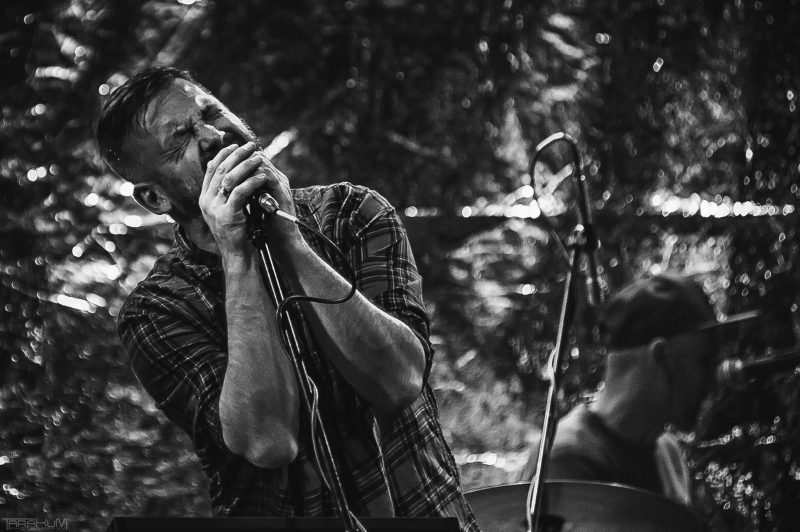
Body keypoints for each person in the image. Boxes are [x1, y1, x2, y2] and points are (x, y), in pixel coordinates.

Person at [96, 66, 478, 530]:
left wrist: (290, 241)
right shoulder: (156, 310)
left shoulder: (353, 213)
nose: (213, 136)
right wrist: (237, 253)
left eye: (211, 113)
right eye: (181, 139)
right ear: (156, 199)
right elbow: (268, 441)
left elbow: (398, 383)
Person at [520, 273, 755, 506]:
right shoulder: (566, 460)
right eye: (703, 363)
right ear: (660, 355)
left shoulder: (667, 452)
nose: (715, 379)